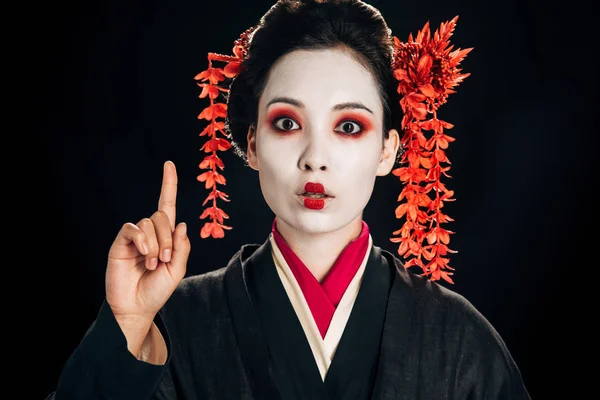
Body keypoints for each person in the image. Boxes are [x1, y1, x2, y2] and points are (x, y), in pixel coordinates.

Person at [47, 0, 531, 399]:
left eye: (348, 126)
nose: (314, 158)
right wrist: (127, 327)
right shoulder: (173, 324)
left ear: (388, 149)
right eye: (287, 123)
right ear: (252, 143)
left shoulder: (458, 338)